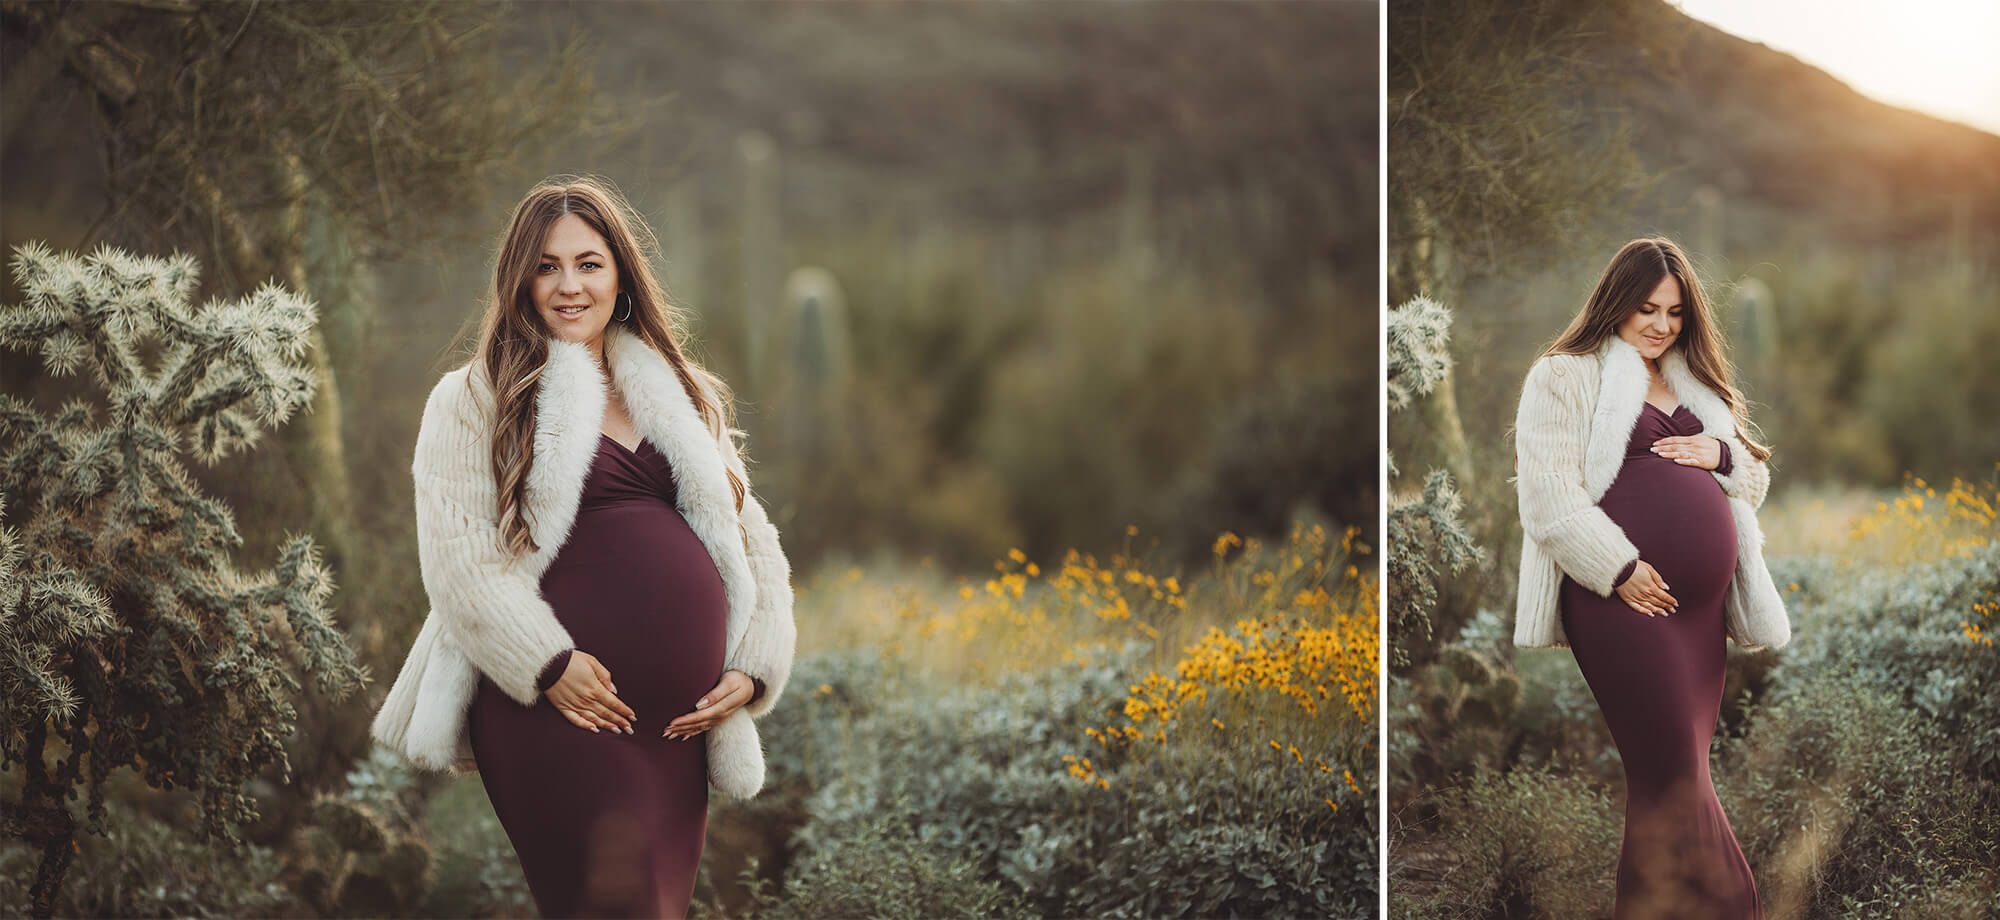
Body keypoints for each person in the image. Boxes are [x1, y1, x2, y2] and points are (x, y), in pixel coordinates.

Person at [370, 174, 797, 918]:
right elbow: (459, 563)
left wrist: (755, 669)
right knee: (616, 905)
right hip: (556, 711)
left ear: (621, 277)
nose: (569, 284)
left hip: (675, 731)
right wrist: (550, 663)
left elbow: (752, 543)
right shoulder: (474, 400)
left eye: (589, 263)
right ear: (519, 280)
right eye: (547, 265)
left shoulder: (686, 394)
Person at [1510, 237, 1789, 919]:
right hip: (1620, 605)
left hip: (1700, 621)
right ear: (1614, 303)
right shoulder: (1564, 375)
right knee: (1674, 780)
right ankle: (1738, 908)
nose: (1661, 325)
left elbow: (1753, 478)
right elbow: (1547, 498)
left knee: (1671, 786)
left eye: (1674, 312)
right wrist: (1622, 567)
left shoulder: (1694, 381)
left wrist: (1719, 449)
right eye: (1645, 309)